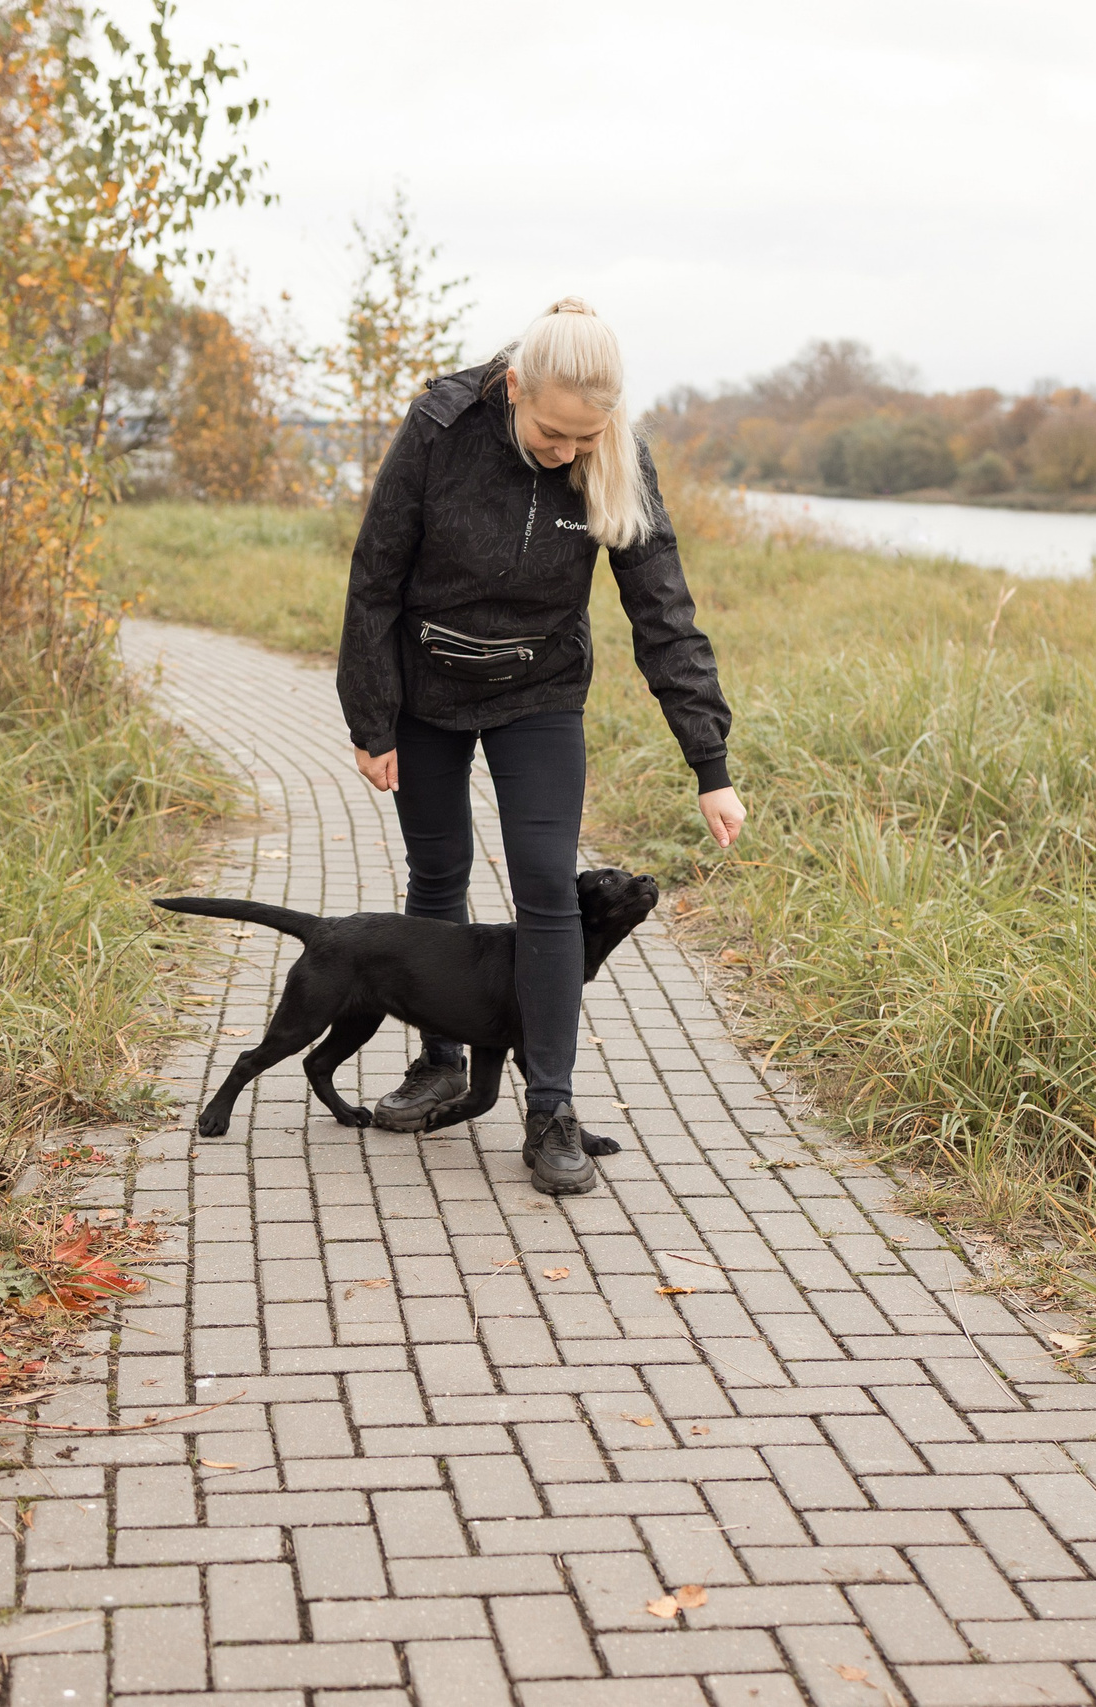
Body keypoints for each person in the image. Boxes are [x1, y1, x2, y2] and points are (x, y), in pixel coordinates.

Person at [337, 298, 744, 1197]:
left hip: (540, 691)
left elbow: (663, 611)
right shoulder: (442, 426)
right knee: (438, 870)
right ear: (514, 386)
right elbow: (376, 573)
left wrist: (708, 764)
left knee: (547, 887)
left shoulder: (614, 456)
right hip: (428, 685)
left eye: (583, 440)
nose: (566, 453)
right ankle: (441, 1062)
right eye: (553, 433)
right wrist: (372, 718)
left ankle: (549, 1106)